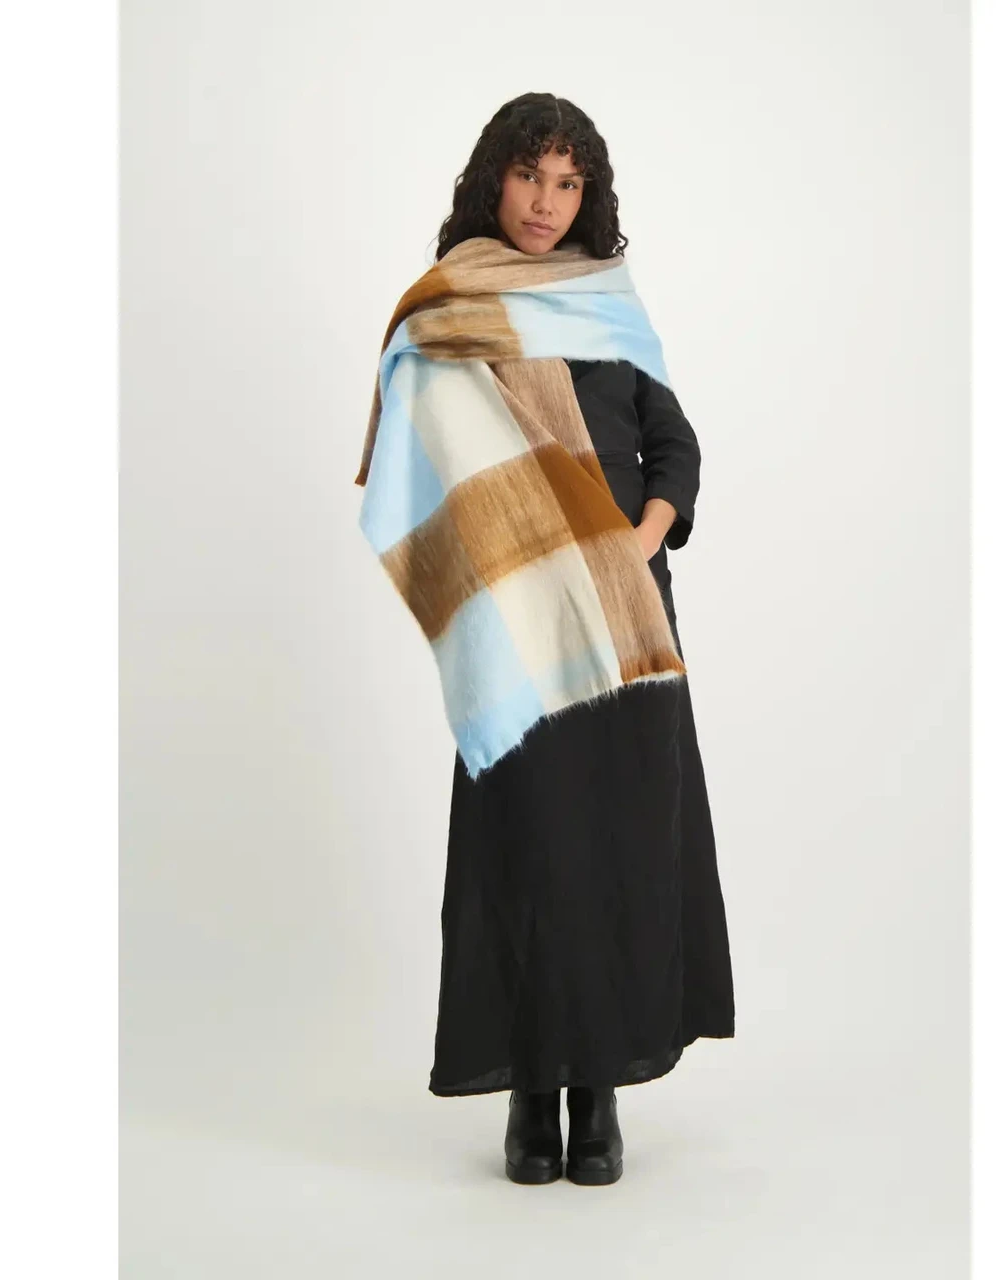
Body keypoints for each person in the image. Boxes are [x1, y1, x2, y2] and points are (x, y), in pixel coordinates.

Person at [409, 93, 735, 1185]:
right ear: (491, 180)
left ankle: (597, 1091)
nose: (545, 202)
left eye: (566, 182)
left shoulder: (606, 300)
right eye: (527, 175)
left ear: (586, 195)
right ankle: (529, 1090)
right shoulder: (454, 304)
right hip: (517, 620)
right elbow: (432, 461)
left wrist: (634, 544)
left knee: (619, 845)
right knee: (529, 846)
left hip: (629, 616)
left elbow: (672, 442)